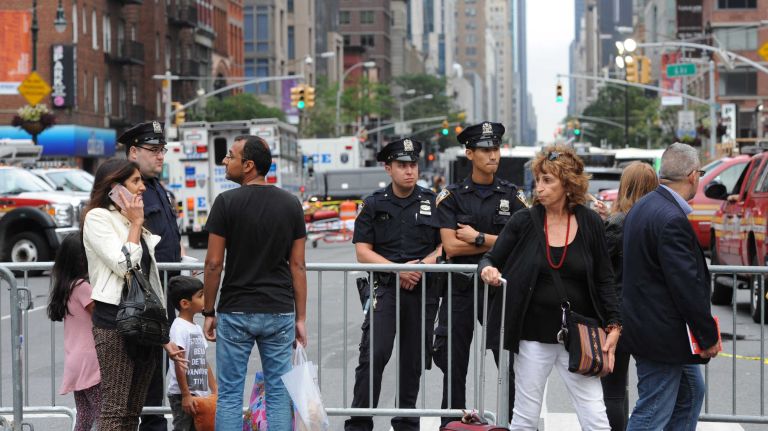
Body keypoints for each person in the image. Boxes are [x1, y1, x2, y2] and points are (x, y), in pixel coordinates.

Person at [478, 145, 621, 431]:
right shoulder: (523, 221)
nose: (539, 187)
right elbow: (490, 258)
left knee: (596, 418)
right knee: (525, 418)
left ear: (568, 184)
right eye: (537, 180)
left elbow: (605, 279)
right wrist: (488, 270)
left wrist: (614, 325)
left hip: (579, 336)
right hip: (531, 335)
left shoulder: (590, 222)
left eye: (547, 180)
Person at [202, 135, 308, 429]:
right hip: (279, 310)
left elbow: (213, 263)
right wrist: (300, 318)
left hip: (235, 309)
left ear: (248, 165)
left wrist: (208, 311)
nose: (225, 161)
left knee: (229, 395)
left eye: (230, 156)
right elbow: (298, 265)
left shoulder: (226, 203)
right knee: (278, 394)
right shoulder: (290, 204)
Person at [344, 138, 442, 431]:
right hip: (385, 289)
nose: (409, 171)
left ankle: (406, 423)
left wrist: (421, 266)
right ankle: (360, 424)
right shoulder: (374, 204)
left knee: (413, 361)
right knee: (374, 354)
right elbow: (363, 252)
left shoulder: (433, 202)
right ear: (388, 168)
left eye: (413, 165)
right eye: (402, 165)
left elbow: (444, 246)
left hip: (422, 289)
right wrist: (399, 269)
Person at [433, 121, 527, 424]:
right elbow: (450, 247)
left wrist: (477, 238)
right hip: (460, 289)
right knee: (454, 364)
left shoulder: (512, 196)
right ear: (470, 153)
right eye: (485, 150)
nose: (493, 155)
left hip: (497, 290)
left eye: (496, 149)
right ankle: (451, 425)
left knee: (508, 363)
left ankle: (513, 424)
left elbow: (523, 242)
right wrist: (499, 242)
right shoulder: (452, 196)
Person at [82, 158, 186, 431]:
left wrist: (163, 336)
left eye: (141, 180)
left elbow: (149, 283)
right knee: (115, 411)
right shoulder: (98, 218)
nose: (142, 187)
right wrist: (137, 223)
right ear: (115, 188)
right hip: (114, 321)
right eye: (135, 181)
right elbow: (124, 265)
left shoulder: (130, 221)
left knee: (132, 412)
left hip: (143, 324)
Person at [622, 143, 720, 431]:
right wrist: (707, 336)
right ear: (692, 176)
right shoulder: (670, 218)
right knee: (652, 413)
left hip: (654, 331)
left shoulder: (645, 206)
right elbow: (686, 285)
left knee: (691, 394)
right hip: (661, 336)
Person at [121, 121, 184, 431]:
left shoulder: (157, 187)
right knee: (148, 378)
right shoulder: (127, 190)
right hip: (145, 296)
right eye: (154, 149)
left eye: (163, 149)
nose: (161, 156)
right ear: (134, 152)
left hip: (165, 293)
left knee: (159, 372)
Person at [600, 162, 659, 431]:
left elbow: (601, 266)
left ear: (625, 186)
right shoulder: (655, 222)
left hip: (617, 311)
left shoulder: (617, 223)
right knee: (652, 387)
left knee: (613, 389)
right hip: (648, 312)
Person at [47, 233, 101, 431]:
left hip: (76, 360)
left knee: (85, 416)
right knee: (104, 414)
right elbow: (101, 314)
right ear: (82, 259)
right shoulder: (83, 287)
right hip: (90, 359)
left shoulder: (67, 286)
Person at [167, 275, 217, 431]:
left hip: (199, 394)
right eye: (201, 295)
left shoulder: (196, 327)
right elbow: (179, 363)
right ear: (185, 303)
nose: (205, 299)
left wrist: (214, 388)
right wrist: (186, 395)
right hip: (183, 395)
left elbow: (203, 361)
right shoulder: (179, 327)